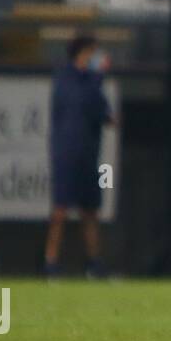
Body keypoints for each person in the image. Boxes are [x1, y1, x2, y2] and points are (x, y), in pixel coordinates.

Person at [45, 35, 113, 278]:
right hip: (67, 152)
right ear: (82, 54)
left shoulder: (92, 83)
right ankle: (51, 262)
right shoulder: (67, 79)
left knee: (90, 211)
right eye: (92, 53)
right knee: (60, 210)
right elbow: (84, 102)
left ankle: (94, 263)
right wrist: (98, 76)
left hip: (87, 154)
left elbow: (104, 114)